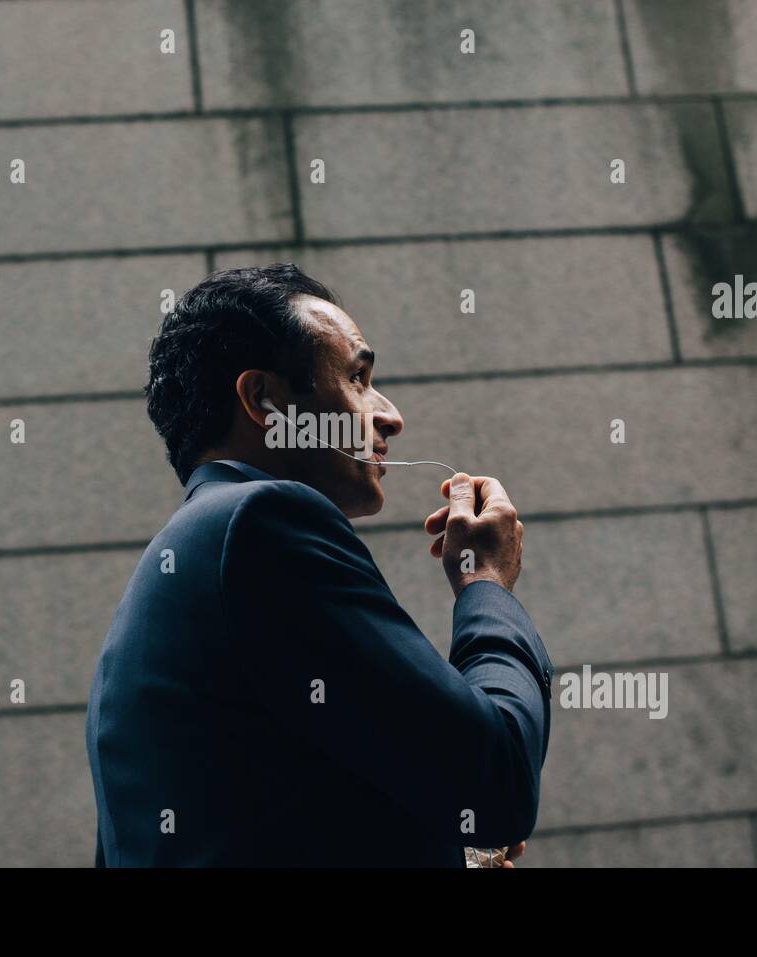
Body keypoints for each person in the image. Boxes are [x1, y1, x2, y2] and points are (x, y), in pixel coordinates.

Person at [85, 263, 554, 866]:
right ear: (265, 401)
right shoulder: (263, 521)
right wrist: (486, 583)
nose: (391, 416)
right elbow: (497, 781)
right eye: (358, 378)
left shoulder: (171, 579)